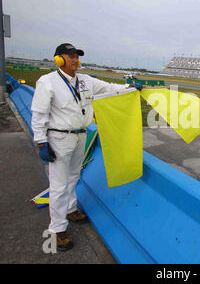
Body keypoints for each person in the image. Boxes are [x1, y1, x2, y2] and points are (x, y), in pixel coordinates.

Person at [31, 43, 142, 251]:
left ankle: (71, 209)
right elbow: (38, 114)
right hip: (59, 138)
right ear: (59, 59)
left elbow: (109, 87)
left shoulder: (85, 81)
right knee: (58, 185)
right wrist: (41, 142)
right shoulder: (47, 82)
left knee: (74, 177)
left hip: (81, 136)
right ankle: (56, 230)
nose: (75, 60)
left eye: (77, 56)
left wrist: (130, 88)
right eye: (71, 56)